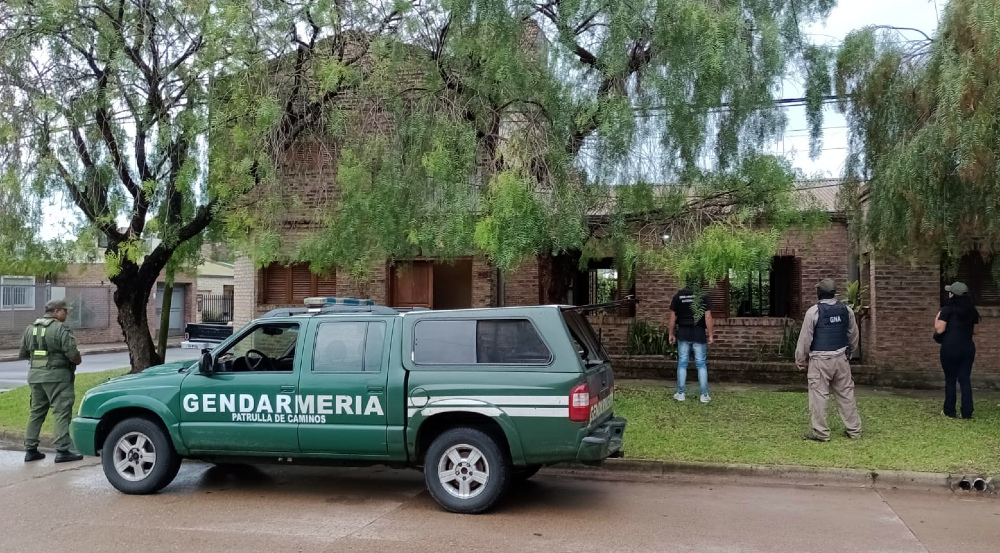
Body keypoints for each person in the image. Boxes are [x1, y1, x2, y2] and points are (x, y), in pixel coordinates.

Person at [18, 299, 84, 463]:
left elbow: (23, 353)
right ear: (56, 312)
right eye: (64, 311)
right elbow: (73, 355)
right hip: (58, 378)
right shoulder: (60, 328)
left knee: (36, 412)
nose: (66, 313)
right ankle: (62, 450)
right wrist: (75, 360)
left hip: (35, 376)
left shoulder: (30, 328)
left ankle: (30, 449)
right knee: (61, 412)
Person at [795, 279, 861, 442]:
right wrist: (850, 350)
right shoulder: (846, 310)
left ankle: (821, 433)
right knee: (846, 395)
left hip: (820, 361)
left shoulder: (814, 312)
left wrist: (800, 359)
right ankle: (854, 431)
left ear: (820, 293)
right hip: (841, 359)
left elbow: (805, 338)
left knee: (819, 397)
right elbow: (853, 334)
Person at [934, 282, 979, 419]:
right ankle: (967, 412)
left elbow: (939, 329)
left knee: (951, 380)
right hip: (967, 347)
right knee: (965, 379)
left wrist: (938, 316)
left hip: (950, 348)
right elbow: (974, 331)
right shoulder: (972, 311)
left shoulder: (947, 310)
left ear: (953, 294)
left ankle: (949, 410)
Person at [668, 287, 715, 403]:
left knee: (682, 363)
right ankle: (704, 395)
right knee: (701, 364)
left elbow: (672, 317)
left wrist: (671, 333)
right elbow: (708, 317)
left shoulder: (678, 296)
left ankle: (681, 393)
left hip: (683, 333)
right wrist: (710, 335)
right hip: (698, 333)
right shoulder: (703, 295)